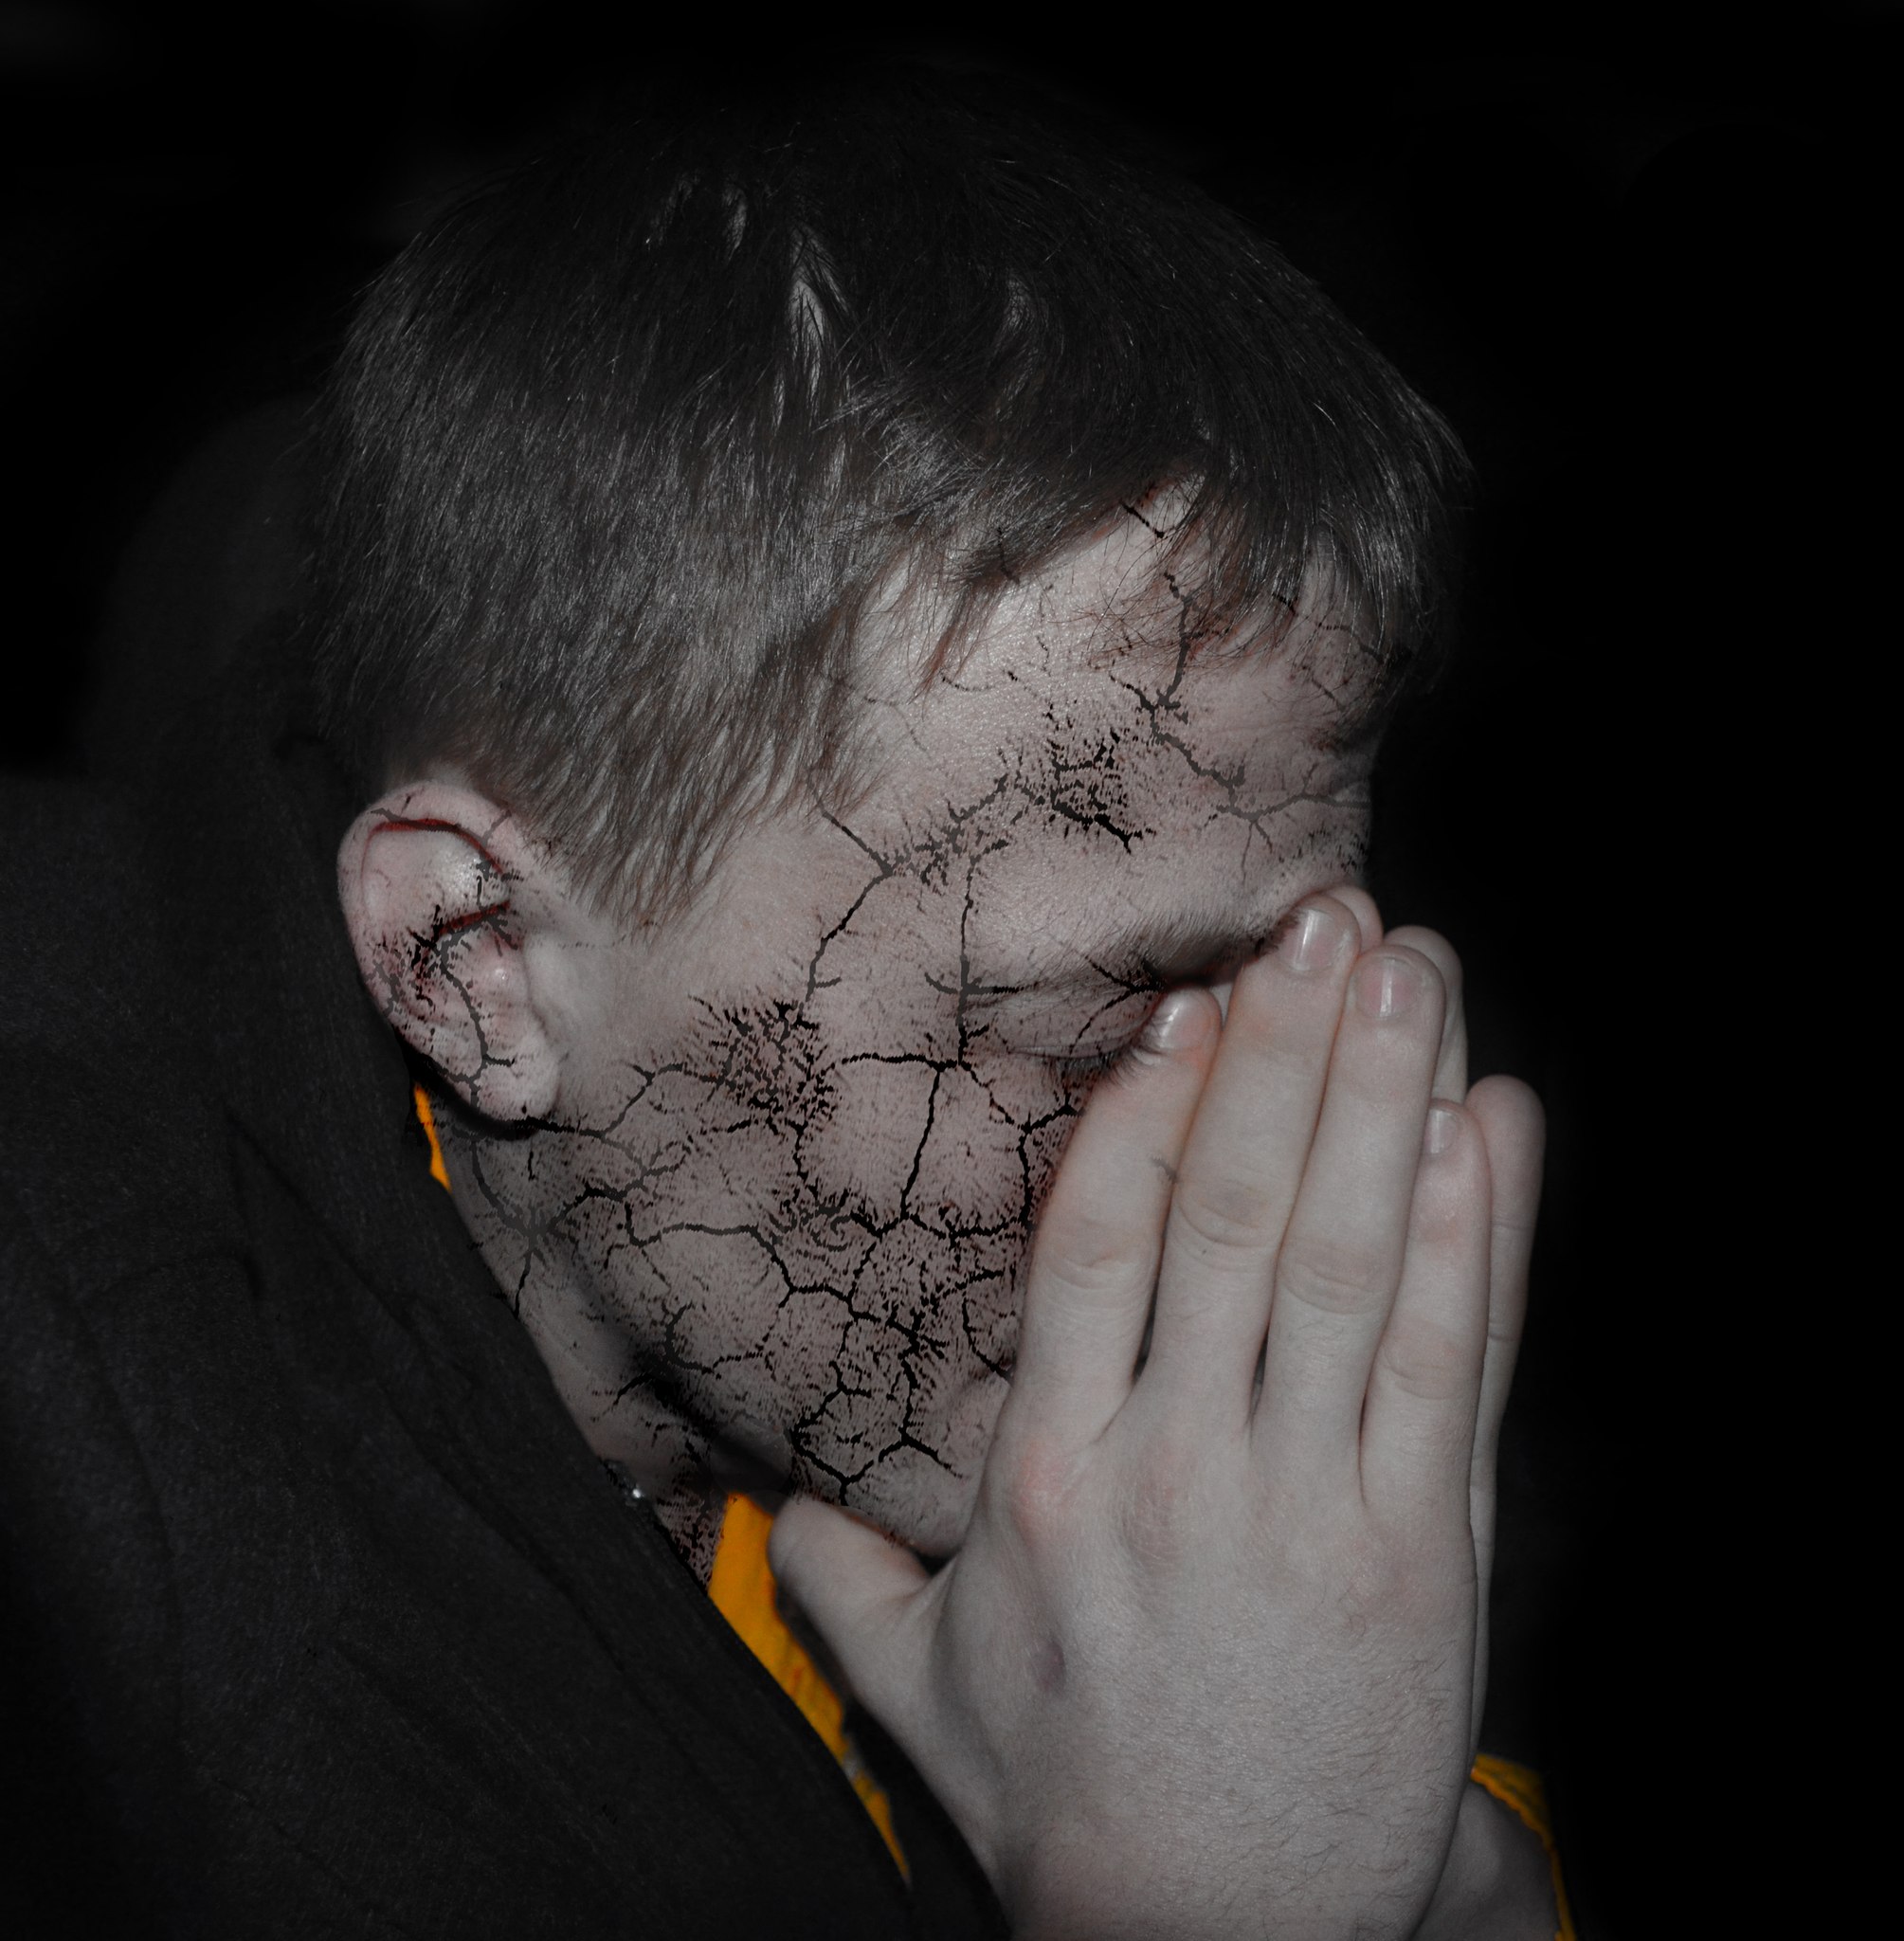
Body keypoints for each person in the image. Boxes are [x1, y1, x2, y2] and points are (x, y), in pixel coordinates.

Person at [2, 65, 1565, 1937]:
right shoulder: (141, 1630)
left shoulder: (797, 1352)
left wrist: (1430, 1861)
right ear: (475, 960)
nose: (1240, 1158)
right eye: (1086, 1026)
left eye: (1290, 983)